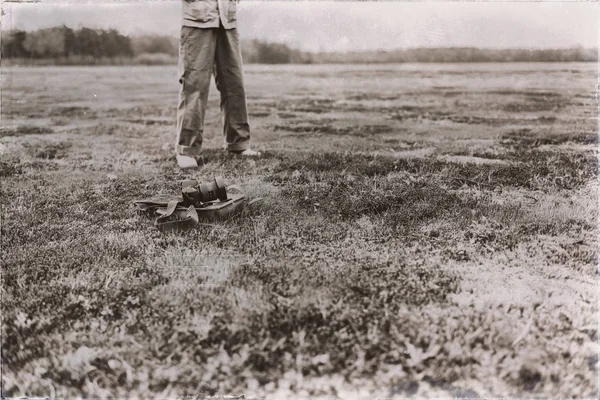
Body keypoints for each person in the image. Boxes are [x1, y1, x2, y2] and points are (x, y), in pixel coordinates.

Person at [176, 0, 260, 168]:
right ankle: (187, 150)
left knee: (234, 84)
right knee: (195, 86)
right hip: (197, 19)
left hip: (227, 21)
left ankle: (238, 144)